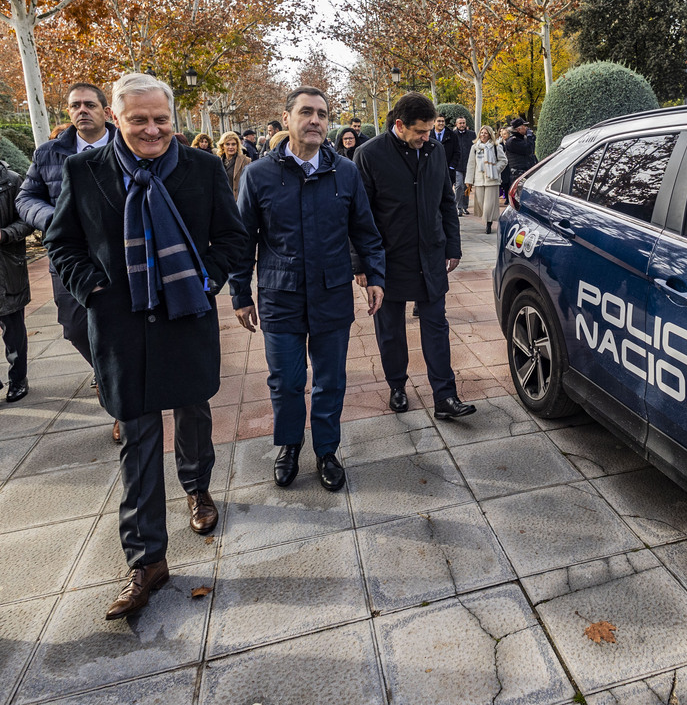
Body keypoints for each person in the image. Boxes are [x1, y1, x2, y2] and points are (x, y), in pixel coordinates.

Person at [44, 73, 247, 620]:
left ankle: (198, 488)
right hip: (121, 328)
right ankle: (147, 559)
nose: (152, 129)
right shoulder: (83, 171)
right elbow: (61, 243)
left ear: (173, 121)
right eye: (139, 119)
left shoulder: (202, 168)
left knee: (193, 413)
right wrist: (93, 287)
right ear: (117, 118)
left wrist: (206, 281)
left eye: (161, 119)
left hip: (185, 318)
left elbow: (232, 239)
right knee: (136, 438)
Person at [229, 87, 385, 493]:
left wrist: (374, 275)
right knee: (286, 380)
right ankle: (289, 445)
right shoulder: (259, 174)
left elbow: (365, 231)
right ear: (287, 117)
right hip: (280, 296)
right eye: (307, 112)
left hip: (331, 293)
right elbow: (243, 239)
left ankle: (327, 451)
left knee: (330, 379)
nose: (315, 120)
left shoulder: (345, 172)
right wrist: (240, 295)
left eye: (322, 113)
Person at [353, 93, 476, 420]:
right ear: (399, 125)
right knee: (390, 331)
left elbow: (446, 202)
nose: (427, 137)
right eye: (420, 131)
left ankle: (445, 397)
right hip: (387, 260)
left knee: (436, 326)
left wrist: (453, 246)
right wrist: (361, 264)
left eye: (429, 130)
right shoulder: (369, 155)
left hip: (430, 255)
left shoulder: (434, 151)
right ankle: (397, 385)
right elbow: (356, 215)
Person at [16, 82, 121, 441]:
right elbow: (26, 197)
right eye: (75, 105)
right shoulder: (49, 153)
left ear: (107, 112)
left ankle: (121, 405)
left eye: (90, 104)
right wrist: (54, 219)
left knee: (123, 326)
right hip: (69, 257)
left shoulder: (128, 145)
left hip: (119, 253)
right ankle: (108, 374)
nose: (81, 111)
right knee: (76, 328)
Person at [0, 160, 32, 404]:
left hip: (7, 268)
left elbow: (28, 220)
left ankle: (18, 379)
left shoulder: (10, 180)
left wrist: (4, 234)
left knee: (13, 330)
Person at [467, 125, 506, 234]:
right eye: (482, 133)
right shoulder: (475, 147)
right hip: (479, 179)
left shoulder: (496, 147)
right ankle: (487, 219)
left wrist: (495, 169)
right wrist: (469, 180)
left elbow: (503, 161)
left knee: (489, 204)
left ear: (489, 135)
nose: (483, 135)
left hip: (492, 180)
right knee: (480, 202)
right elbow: (471, 164)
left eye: (485, 133)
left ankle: (489, 223)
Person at [504, 117, 537, 188]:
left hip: (527, 172)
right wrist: (529, 137)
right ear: (519, 129)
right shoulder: (512, 141)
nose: (526, 128)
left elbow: (531, 150)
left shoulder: (521, 139)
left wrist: (531, 137)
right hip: (518, 174)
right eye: (524, 126)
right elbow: (528, 149)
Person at [453, 116, 476, 216]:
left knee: (467, 187)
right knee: (459, 186)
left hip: (468, 165)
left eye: (463, 123)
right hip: (457, 165)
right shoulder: (453, 135)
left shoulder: (471, 134)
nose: (462, 125)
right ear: (456, 124)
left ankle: (465, 207)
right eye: (460, 123)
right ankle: (458, 206)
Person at [431, 114, 460, 190]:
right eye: (439, 121)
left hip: (447, 171)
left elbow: (457, 152)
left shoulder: (452, 135)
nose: (441, 123)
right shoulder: (428, 135)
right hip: (432, 171)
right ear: (434, 122)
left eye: (443, 121)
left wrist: (452, 167)